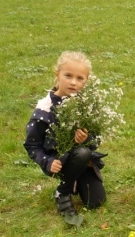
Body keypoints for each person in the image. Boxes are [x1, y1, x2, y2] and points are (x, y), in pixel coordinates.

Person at [24, 51, 107, 216]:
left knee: (96, 202)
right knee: (82, 152)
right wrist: (47, 161)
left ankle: (75, 180)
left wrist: (87, 138)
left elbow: (95, 141)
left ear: (86, 81)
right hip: (59, 163)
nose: (73, 83)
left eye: (80, 78)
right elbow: (32, 145)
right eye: (68, 76)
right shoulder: (45, 109)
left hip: (82, 161)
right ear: (57, 74)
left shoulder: (86, 103)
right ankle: (63, 191)